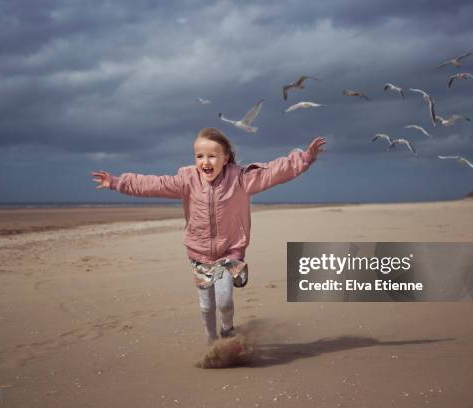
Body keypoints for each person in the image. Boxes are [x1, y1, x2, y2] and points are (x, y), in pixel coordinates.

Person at [92, 128, 326, 344]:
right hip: (200, 253)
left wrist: (304, 159)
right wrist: (117, 182)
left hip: (230, 250)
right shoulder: (187, 180)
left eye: (212, 156)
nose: (205, 162)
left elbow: (275, 172)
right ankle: (212, 341)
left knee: (224, 302)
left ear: (225, 158)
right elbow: (153, 184)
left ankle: (227, 329)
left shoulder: (241, 179)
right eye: (199, 156)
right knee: (206, 307)